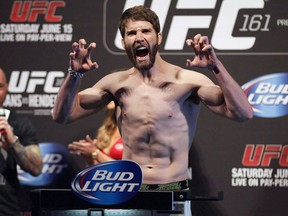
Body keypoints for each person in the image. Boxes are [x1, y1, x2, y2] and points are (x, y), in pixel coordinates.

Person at [53, 5, 253, 191]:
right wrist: (74, 74)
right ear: (124, 43)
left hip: (172, 188)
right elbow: (63, 116)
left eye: (145, 31)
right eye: (132, 33)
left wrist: (216, 67)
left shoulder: (187, 81)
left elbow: (243, 113)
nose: (139, 37)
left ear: (158, 38)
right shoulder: (115, 84)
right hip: (130, 189)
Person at [0, 67, 43, 216]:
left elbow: (36, 168)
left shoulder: (19, 123)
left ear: (6, 88)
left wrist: (12, 142)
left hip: (7, 208)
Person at [68, 101, 123, 166]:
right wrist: (89, 157)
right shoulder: (107, 129)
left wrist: (95, 152)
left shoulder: (135, 131)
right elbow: (96, 168)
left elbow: (130, 169)